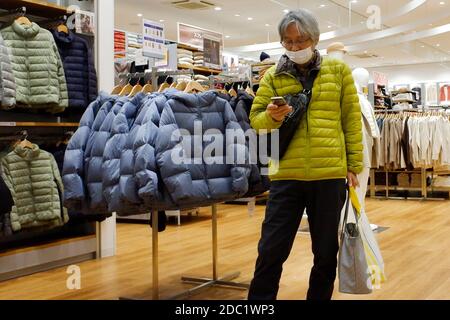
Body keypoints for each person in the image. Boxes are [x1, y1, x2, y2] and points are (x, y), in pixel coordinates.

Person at [248, 9, 363, 300]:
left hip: (329, 176)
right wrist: (272, 117)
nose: (295, 47)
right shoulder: (274, 76)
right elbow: (256, 119)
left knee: (325, 253)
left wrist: (353, 165)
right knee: (270, 251)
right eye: (288, 42)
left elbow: (350, 120)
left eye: (301, 40)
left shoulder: (339, 72)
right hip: (286, 176)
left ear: (315, 38)